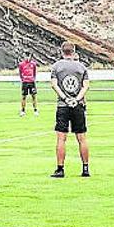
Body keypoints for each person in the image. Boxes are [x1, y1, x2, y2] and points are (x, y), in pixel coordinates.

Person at [50, 42, 91, 178]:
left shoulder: (56, 66)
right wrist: (77, 99)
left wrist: (65, 98)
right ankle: (85, 168)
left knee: (61, 138)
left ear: (62, 51)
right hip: (78, 106)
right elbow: (86, 86)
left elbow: (54, 84)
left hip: (63, 105)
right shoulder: (81, 67)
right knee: (82, 138)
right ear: (74, 52)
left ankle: (60, 169)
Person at [19, 52, 39, 117]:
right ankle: (23, 111)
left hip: (32, 82)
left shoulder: (33, 64)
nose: (27, 58)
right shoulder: (21, 64)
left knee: (33, 96)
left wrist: (33, 79)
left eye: (29, 56)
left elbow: (34, 73)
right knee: (24, 97)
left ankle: (35, 110)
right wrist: (23, 79)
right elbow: (20, 73)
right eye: (26, 56)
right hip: (25, 82)